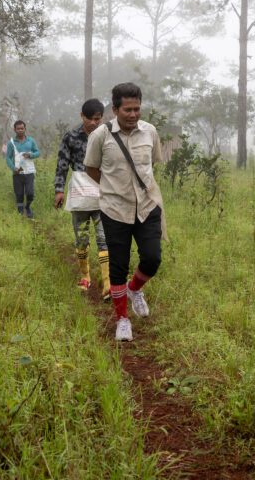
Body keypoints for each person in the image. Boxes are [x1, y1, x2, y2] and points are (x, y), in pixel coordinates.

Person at [84, 82, 164, 342]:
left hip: (147, 206)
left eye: (137, 109)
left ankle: (134, 289)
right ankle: (122, 319)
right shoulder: (100, 136)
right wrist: (112, 189)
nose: (133, 114)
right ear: (115, 109)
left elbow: (151, 164)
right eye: (127, 109)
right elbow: (92, 168)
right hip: (114, 210)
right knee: (117, 267)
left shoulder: (150, 132)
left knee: (152, 258)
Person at [54, 98, 110, 299]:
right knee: (82, 237)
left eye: (97, 119)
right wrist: (59, 190)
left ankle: (107, 284)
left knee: (104, 238)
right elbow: (62, 164)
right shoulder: (71, 137)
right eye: (90, 119)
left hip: (102, 192)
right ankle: (85, 276)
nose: (94, 123)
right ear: (82, 116)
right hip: (79, 193)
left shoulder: (106, 136)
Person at [5, 120, 40, 217]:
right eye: (18, 129)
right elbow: (8, 157)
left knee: (30, 193)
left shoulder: (31, 141)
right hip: (17, 173)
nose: (20, 130)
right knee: (19, 194)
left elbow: (38, 153)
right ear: (14, 130)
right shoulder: (11, 143)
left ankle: (28, 207)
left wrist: (30, 155)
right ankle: (20, 213)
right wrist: (13, 168)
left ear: (25, 129)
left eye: (22, 128)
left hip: (29, 172)